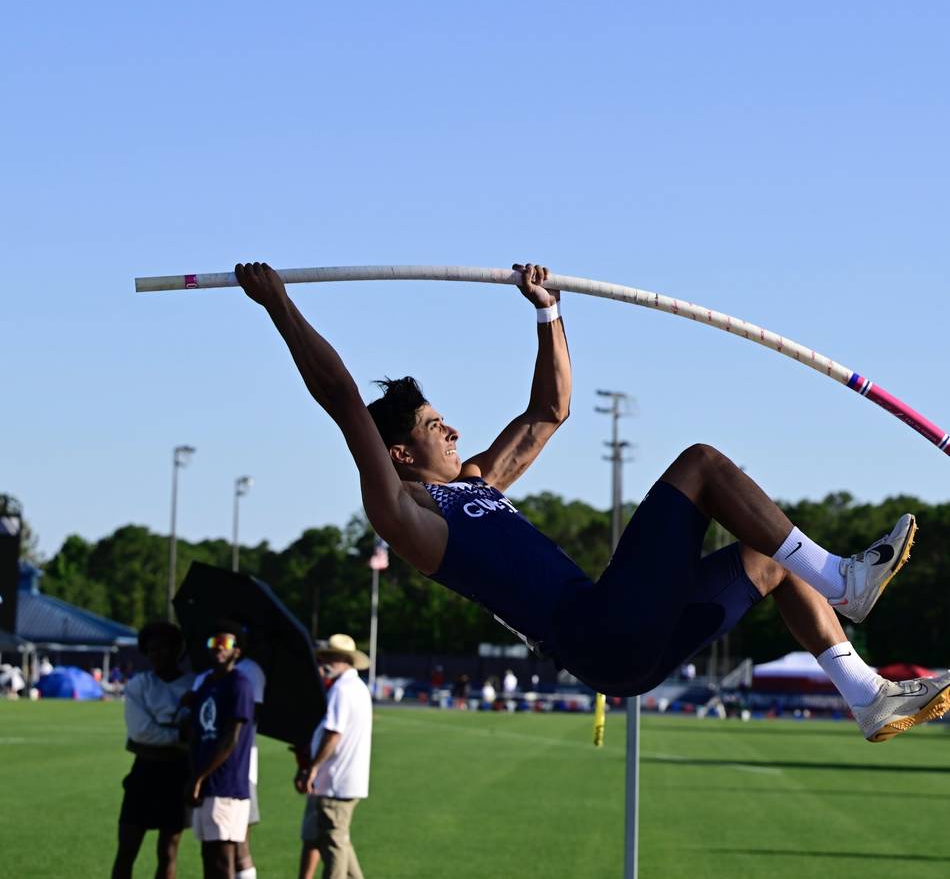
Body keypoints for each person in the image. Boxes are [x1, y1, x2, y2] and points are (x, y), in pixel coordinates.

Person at [234, 261, 950, 743]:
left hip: (625, 648)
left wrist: (547, 312)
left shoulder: (477, 482)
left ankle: (864, 693)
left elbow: (550, 410)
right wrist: (280, 306)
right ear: (399, 454)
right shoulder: (407, 515)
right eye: (431, 426)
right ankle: (846, 581)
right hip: (600, 632)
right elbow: (340, 399)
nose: (451, 429)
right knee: (700, 464)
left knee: (769, 555)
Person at [111, 621, 194, 879]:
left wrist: (167, 733)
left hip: (178, 774)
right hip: (144, 773)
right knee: (127, 847)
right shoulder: (139, 684)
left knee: (169, 849)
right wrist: (178, 733)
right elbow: (140, 732)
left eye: (162, 648)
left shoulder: (194, 684)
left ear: (176, 649)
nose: (156, 655)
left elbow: (195, 729)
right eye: (150, 650)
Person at [296, 634, 373, 879]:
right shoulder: (357, 687)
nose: (322, 664)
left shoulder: (341, 689)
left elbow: (333, 734)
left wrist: (313, 767)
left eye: (327, 658)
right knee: (340, 841)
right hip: (347, 780)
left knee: (334, 848)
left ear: (342, 659)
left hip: (336, 783)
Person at [192, 637, 266, 879]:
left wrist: (201, 775)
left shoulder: (241, 683)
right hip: (205, 782)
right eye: (212, 641)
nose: (218, 647)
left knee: (226, 857)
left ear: (237, 650)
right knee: (208, 855)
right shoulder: (207, 683)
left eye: (225, 641)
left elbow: (233, 736)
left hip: (227, 782)